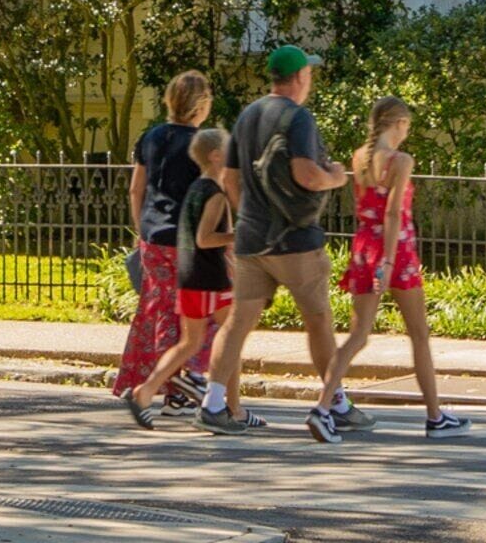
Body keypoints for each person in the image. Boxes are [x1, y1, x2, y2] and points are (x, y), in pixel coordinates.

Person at [200, 45, 356, 439]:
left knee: (238, 322)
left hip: (252, 240)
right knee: (318, 319)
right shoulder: (297, 117)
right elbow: (307, 175)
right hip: (295, 240)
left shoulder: (247, 117)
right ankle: (336, 402)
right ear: (300, 77)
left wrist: (252, 216)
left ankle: (213, 403)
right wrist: (337, 177)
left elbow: (230, 181)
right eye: (309, 75)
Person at [326, 96, 466, 437]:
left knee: (358, 334)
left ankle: (322, 404)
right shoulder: (400, 161)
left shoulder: (359, 158)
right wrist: (388, 261)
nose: (407, 132)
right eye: (407, 125)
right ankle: (435, 416)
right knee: (419, 334)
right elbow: (392, 213)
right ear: (399, 123)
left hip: (363, 248)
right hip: (397, 251)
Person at [111, 71, 215, 406]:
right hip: (186, 238)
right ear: (200, 105)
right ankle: (179, 387)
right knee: (198, 311)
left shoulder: (151, 138)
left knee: (155, 311)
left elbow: (135, 188)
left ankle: (146, 382)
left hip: (153, 236)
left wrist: (142, 230)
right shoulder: (201, 144)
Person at [122, 125, 235, 425]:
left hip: (190, 275)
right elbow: (204, 238)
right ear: (214, 156)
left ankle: (145, 393)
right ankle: (229, 409)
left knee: (189, 341)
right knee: (231, 335)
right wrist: (235, 237)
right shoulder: (214, 193)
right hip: (210, 277)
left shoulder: (196, 189)